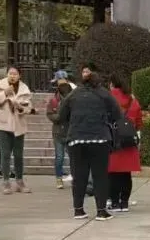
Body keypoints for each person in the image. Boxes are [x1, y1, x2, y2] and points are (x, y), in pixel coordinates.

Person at [56, 63, 122, 220]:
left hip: (76, 139)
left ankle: (78, 210)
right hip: (100, 139)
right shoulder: (104, 94)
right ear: (98, 82)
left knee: (79, 176)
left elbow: (61, 116)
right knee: (100, 176)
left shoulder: (74, 94)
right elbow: (117, 114)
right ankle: (101, 211)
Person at [0, 67, 34, 192]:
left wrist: (20, 107)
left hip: (19, 124)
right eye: (10, 73)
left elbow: (28, 107)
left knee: (18, 155)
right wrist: (5, 93)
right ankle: (6, 182)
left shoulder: (24, 88)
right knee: (5, 154)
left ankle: (19, 182)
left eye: (15, 74)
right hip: (2, 124)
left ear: (19, 75)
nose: (12, 76)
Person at [107, 72, 144, 212]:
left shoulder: (108, 98)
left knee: (112, 174)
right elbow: (139, 122)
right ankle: (124, 202)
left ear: (112, 84)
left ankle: (114, 202)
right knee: (126, 174)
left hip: (113, 140)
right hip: (128, 140)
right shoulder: (132, 100)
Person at [46, 73, 74, 189]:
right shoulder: (54, 100)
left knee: (73, 157)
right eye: (61, 86)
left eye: (65, 85)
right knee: (59, 157)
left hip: (70, 132)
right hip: (58, 132)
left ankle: (74, 177)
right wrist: (58, 117)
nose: (63, 88)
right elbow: (49, 114)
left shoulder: (73, 99)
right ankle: (59, 178)